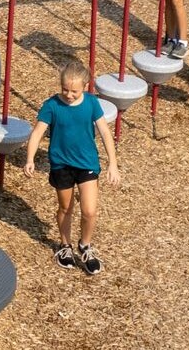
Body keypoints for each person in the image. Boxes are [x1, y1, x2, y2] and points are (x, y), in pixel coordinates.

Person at [22, 60, 123, 276]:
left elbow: (105, 133)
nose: (69, 95)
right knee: (65, 207)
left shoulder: (92, 104)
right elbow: (38, 132)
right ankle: (65, 245)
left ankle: (85, 246)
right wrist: (30, 158)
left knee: (89, 210)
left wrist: (112, 164)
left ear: (85, 86)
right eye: (65, 90)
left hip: (87, 164)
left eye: (74, 91)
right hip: (61, 164)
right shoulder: (52, 106)